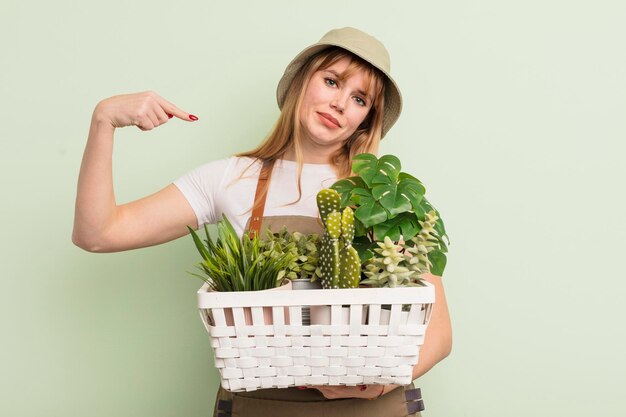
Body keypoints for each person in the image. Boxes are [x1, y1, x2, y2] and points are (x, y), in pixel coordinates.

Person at [73, 27, 452, 417]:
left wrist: (378, 384)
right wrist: (104, 121)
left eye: (359, 99)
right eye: (331, 81)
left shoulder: (384, 197)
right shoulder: (231, 178)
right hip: (261, 405)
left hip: (375, 409)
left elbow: (439, 334)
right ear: (302, 82)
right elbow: (98, 233)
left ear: (366, 119)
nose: (340, 103)